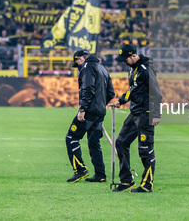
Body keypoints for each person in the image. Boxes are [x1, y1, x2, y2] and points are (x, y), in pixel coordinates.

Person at [111, 44, 163, 193]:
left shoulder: (146, 70)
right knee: (121, 142)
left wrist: (156, 114)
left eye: (125, 59)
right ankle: (126, 180)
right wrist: (120, 101)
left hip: (146, 114)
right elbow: (133, 89)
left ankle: (147, 185)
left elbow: (157, 94)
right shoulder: (132, 69)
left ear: (134, 56)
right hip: (134, 113)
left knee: (145, 150)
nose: (123, 62)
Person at [65, 50, 115, 183]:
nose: (78, 67)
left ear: (81, 59)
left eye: (77, 63)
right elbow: (111, 92)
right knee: (94, 142)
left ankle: (80, 170)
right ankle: (100, 175)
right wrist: (100, 106)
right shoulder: (103, 68)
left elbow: (87, 88)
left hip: (89, 111)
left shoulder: (87, 67)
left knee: (71, 138)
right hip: (99, 111)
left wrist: (82, 109)